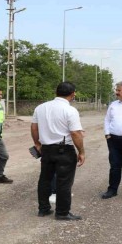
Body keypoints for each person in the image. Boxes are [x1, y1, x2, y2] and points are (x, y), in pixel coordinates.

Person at [31, 82, 85, 220]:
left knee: (45, 180)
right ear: (73, 94)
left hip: (46, 149)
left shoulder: (41, 107)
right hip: (64, 150)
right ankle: (62, 212)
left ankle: (43, 209)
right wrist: (81, 152)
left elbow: (34, 127)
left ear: (56, 92)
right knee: (64, 182)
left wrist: (37, 143)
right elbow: (75, 133)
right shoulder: (70, 110)